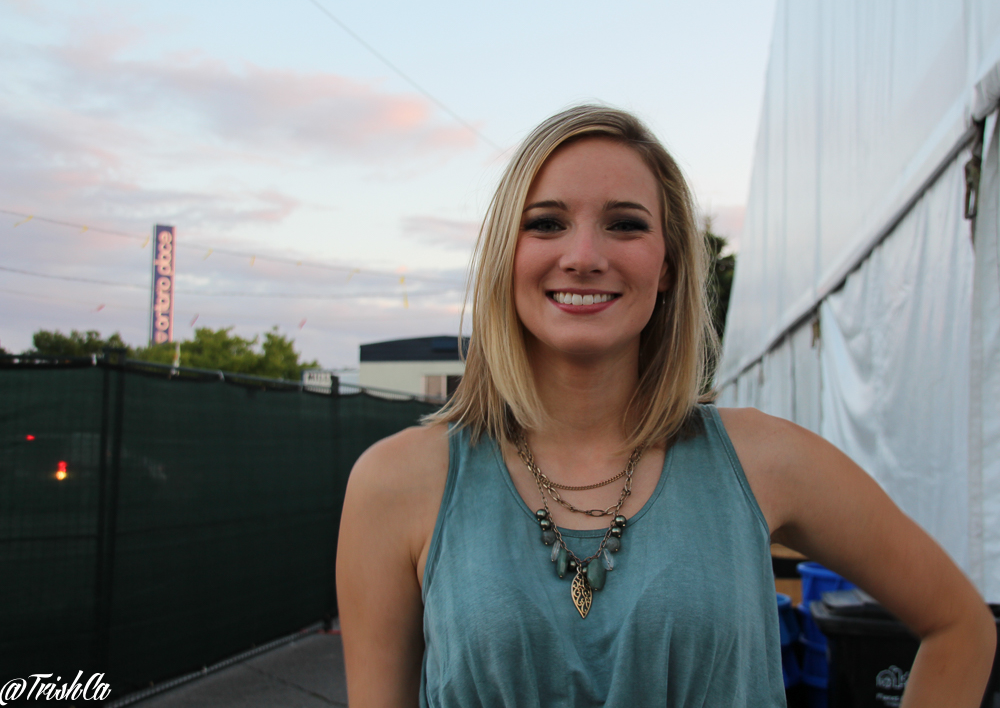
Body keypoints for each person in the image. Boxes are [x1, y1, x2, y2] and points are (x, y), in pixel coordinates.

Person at [337, 105, 996, 707]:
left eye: (625, 224)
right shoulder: (396, 483)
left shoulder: (767, 459)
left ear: (671, 264)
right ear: (506, 254)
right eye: (546, 223)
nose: (584, 255)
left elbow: (960, 626)